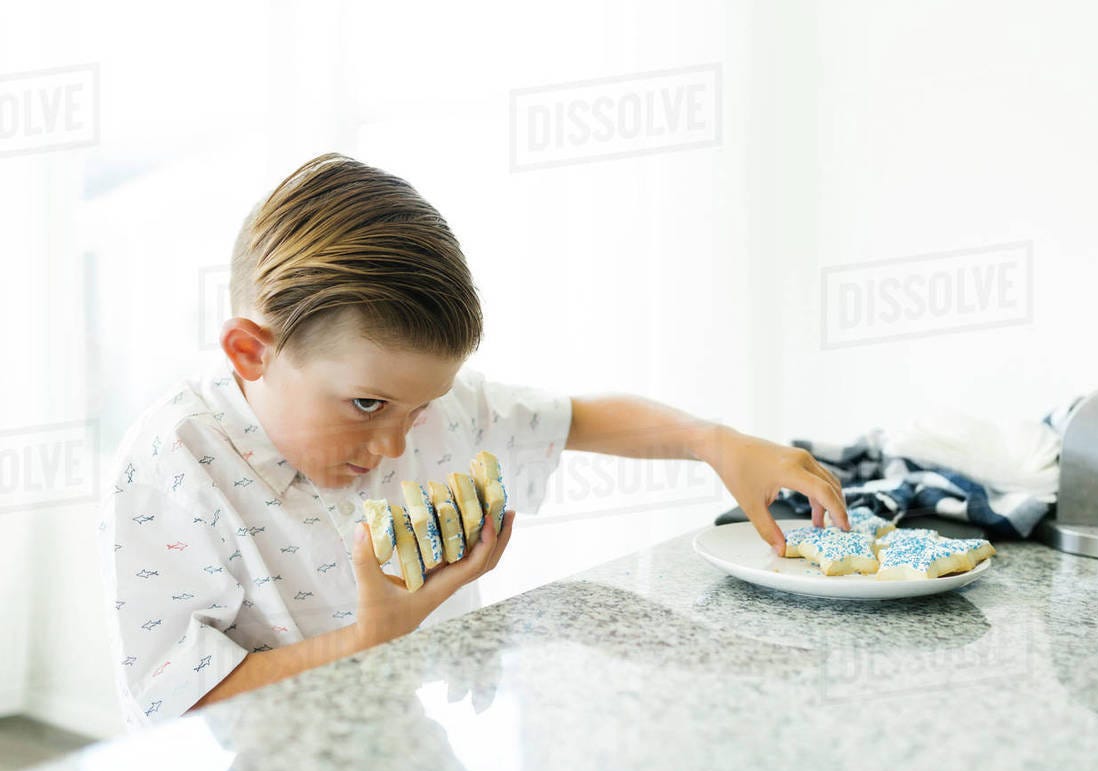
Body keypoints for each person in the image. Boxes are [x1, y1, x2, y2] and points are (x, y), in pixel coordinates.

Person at [95, 153, 848, 731]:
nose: (394, 444)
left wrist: (714, 442)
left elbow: (579, 417)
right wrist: (372, 638)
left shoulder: (423, 410)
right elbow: (178, 705)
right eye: (366, 403)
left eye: (422, 406)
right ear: (250, 351)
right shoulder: (174, 463)